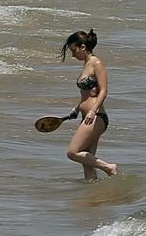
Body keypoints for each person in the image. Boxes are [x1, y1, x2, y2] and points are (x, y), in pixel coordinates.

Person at [58, 29, 117, 180]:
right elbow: (88, 94)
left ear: (83, 47)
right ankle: (93, 196)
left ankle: (109, 168)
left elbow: (103, 91)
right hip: (86, 116)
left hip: (96, 117)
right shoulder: (86, 64)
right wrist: (77, 109)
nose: (73, 54)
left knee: (72, 152)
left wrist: (92, 111)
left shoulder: (96, 63)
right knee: (87, 163)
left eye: (74, 50)